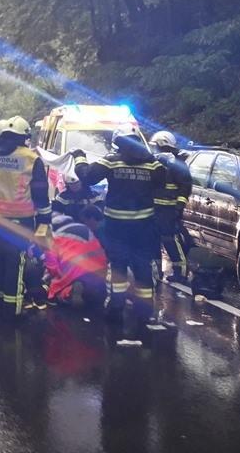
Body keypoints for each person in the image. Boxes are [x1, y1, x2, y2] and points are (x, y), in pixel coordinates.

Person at [72, 124, 165, 336]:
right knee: (142, 268)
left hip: (117, 227)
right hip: (143, 228)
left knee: (119, 268)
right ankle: (144, 311)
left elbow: (87, 176)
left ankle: (116, 308)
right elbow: (163, 183)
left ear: (119, 142)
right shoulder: (152, 164)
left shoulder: (112, 161)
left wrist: (79, 157)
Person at [0, 116, 52, 318]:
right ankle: (13, 308)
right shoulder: (31, 159)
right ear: (24, 136)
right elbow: (41, 194)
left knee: (0, 258)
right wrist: (44, 222)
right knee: (16, 263)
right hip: (20, 221)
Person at [35, 214, 107, 309]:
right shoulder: (83, 228)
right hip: (100, 268)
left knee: (55, 288)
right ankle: (97, 289)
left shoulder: (52, 237)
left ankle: (70, 291)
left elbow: (53, 268)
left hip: (76, 271)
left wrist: (46, 277)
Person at [150, 130, 193, 284]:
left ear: (162, 144)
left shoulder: (177, 164)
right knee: (153, 241)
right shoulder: (155, 161)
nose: (154, 149)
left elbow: (185, 187)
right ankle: (155, 273)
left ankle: (180, 273)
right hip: (154, 209)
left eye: (156, 145)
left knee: (171, 241)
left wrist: (178, 207)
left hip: (169, 211)